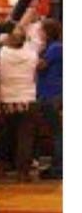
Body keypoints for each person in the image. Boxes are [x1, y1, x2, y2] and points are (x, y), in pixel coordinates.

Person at [0, 27, 39, 182]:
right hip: (28, 98)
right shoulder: (32, 54)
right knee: (25, 137)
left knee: (4, 136)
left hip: (6, 100)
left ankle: (0, 168)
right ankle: (23, 172)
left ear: (8, 38)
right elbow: (35, 75)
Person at [36, 18, 62, 180]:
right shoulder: (53, 47)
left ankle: (59, 168)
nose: (38, 33)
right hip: (50, 94)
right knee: (56, 132)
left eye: (41, 30)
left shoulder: (55, 48)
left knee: (58, 133)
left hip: (52, 94)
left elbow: (40, 66)